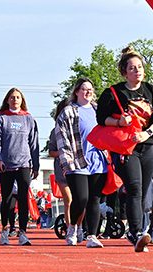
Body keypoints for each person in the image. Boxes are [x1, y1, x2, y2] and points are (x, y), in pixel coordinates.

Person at [95, 47, 153, 253]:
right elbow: (101, 119)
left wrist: (146, 133)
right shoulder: (113, 93)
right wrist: (119, 122)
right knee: (134, 187)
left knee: (143, 191)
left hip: (147, 145)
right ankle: (136, 232)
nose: (137, 71)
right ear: (124, 72)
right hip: (125, 148)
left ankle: (136, 231)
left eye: (140, 67)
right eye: (132, 68)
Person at [56, 78, 108, 248]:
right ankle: (72, 227)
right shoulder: (68, 112)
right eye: (84, 89)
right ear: (77, 91)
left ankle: (92, 235)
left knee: (95, 199)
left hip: (97, 160)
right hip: (77, 160)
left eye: (90, 89)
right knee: (81, 198)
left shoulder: (98, 110)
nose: (88, 92)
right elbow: (61, 136)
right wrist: (67, 160)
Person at [0, 87, 39, 246]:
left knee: (24, 198)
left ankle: (22, 233)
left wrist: (36, 164)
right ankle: (5, 231)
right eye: (12, 97)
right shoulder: (1, 118)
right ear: (7, 100)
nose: (15, 99)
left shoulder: (28, 119)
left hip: (24, 163)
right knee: (7, 199)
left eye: (18, 97)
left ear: (22, 100)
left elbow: (34, 143)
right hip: (6, 164)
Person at [48, 100, 74, 235]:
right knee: (68, 199)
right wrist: (63, 153)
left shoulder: (78, 129)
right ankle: (70, 228)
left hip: (78, 169)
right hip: (62, 170)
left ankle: (81, 227)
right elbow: (51, 152)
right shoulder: (55, 131)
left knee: (81, 199)